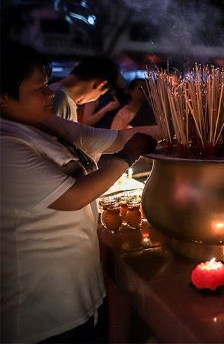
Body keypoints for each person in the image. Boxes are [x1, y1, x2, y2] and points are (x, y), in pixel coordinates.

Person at [0, 42, 159, 343]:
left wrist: (180, 126)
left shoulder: (44, 124)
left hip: (80, 295)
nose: (51, 93)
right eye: (40, 88)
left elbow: (114, 137)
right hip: (41, 315)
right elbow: (74, 196)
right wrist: (128, 157)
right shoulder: (6, 145)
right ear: (4, 98)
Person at [50, 56, 121, 122]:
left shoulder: (53, 91)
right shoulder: (60, 99)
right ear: (100, 84)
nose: (95, 98)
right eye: (100, 94)